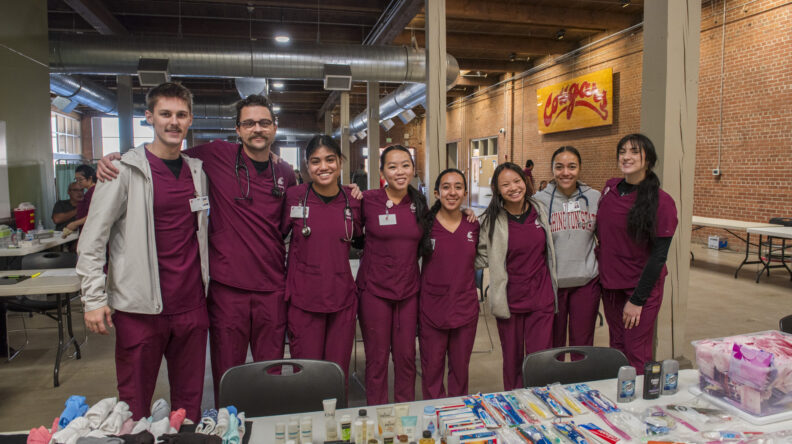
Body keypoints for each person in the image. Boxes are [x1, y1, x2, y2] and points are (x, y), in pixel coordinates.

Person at [97, 94, 298, 404]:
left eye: (264, 122)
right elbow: (163, 152)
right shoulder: (215, 155)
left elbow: (286, 227)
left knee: (269, 374)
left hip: (272, 289)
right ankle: (226, 430)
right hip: (226, 290)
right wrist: (119, 158)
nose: (257, 129)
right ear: (237, 129)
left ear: (274, 127)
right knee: (227, 374)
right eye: (249, 123)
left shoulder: (284, 172)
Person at [76, 82, 209, 421]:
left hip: (191, 305)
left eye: (181, 115)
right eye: (165, 114)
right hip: (139, 309)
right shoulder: (122, 170)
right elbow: (92, 240)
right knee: (133, 407)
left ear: (190, 119)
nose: (173, 122)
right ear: (149, 117)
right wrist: (93, 299)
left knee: (188, 407)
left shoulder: (197, 171)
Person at [280, 135, 362, 379]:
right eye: (315, 161)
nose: (323, 167)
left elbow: (362, 238)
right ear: (307, 165)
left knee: (337, 375)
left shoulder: (354, 201)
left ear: (340, 162)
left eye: (330, 160)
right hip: (304, 300)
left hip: (342, 300)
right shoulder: (294, 197)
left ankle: (335, 418)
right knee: (306, 375)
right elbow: (275, 237)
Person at [356, 145, 431, 405]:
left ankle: (404, 415)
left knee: (406, 358)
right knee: (376, 361)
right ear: (381, 171)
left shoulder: (420, 204)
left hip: (409, 292)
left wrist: (466, 213)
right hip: (374, 291)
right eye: (392, 166)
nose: (400, 172)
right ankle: (377, 416)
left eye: (405, 165)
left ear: (413, 168)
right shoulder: (367, 200)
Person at [596, 134, 678, 372]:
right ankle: (619, 400)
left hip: (639, 288)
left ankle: (639, 404)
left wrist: (637, 300)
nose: (626, 156)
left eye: (634, 151)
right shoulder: (610, 188)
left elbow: (659, 256)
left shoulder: (662, 202)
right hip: (611, 285)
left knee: (635, 351)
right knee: (617, 348)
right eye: (622, 151)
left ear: (648, 159)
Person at [476, 162, 557, 390]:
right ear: (497, 189)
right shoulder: (490, 220)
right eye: (505, 184)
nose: (513, 187)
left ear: (525, 181)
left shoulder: (539, 210)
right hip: (509, 302)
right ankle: (513, 405)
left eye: (517, 181)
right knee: (512, 362)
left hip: (541, 299)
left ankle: (540, 405)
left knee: (539, 361)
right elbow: (477, 255)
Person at [419, 168, 480, 399]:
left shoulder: (473, 225)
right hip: (432, 310)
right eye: (446, 187)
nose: (452, 192)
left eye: (458, 187)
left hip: (465, 309)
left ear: (465, 192)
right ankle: (435, 420)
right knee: (432, 372)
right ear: (436, 193)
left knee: (460, 371)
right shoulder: (425, 225)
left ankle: (458, 418)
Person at [533, 147, 601, 350]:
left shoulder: (595, 198)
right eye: (559, 167)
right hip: (552, 284)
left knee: (583, 344)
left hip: (586, 282)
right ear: (552, 169)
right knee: (555, 345)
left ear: (579, 169)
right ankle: (556, 382)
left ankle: (581, 381)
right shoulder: (538, 201)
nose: (565, 172)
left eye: (572, 167)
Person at [62, 165, 97, 237]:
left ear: (90, 178)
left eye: (80, 180)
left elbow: (94, 215)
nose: (78, 183)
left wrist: (75, 224)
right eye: (76, 180)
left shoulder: (93, 192)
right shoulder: (89, 192)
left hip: (92, 232)